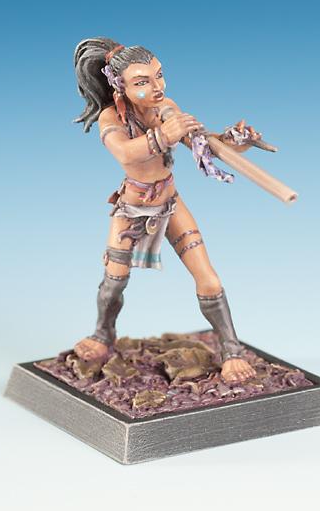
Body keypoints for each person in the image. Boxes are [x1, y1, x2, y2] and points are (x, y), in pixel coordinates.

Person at [72, 37, 259, 383]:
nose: (157, 87)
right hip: (132, 210)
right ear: (120, 86)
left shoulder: (164, 107)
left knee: (208, 278)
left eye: (159, 75)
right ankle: (102, 334)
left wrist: (235, 142)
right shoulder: (110, 118)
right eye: (143, 81)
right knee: (113, 282)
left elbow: (201, 143)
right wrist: (164, 135)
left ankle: (231, 350)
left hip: (170, 205)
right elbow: (126, 153)